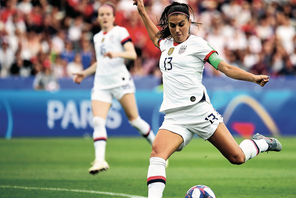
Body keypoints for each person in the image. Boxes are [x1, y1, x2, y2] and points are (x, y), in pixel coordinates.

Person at [133, 1, 282, 197]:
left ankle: (262, 143)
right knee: (157, 154)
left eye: (181, 24)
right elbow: (155, 37)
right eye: (172, 25)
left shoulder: (198, 45)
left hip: (200, 112)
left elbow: (225, 68)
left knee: (237, 156)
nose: (177, 29)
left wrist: (252, 77)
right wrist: (143, 11)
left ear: (189, 21)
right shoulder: (165, 44)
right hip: (175, 117)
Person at [72, 3, 156, 175]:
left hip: (120, 82)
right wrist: (84, 73)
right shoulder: (96, 37)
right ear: (98, 17)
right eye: (101, 14)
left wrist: (116, 54)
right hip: (101, 84)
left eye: (107, 14)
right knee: (97, 121)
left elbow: (132, 54)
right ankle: (100, 160)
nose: (104, 17)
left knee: (135, 121)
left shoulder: (120, 32)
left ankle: (159, 149)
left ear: (113, 16)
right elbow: (100, 63)